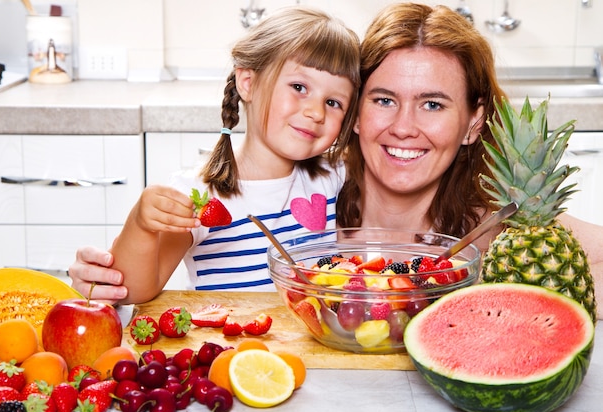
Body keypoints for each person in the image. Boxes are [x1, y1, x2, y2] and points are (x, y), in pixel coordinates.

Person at [70, 3, 603, 318]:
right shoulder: (320, 182)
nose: (404, 128)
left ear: (473, 121)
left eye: (434, 104)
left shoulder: (490, 209)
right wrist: (125, 251)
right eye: (383, 99)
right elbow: (138, 281)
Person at [71, 6, 360, 305]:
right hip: (227, 351)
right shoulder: (199, 196)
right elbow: (134, 290)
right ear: (247, 83)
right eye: (299, 87)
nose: (315, 112)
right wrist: (141, 223)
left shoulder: (334, 176)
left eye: (333, 102)